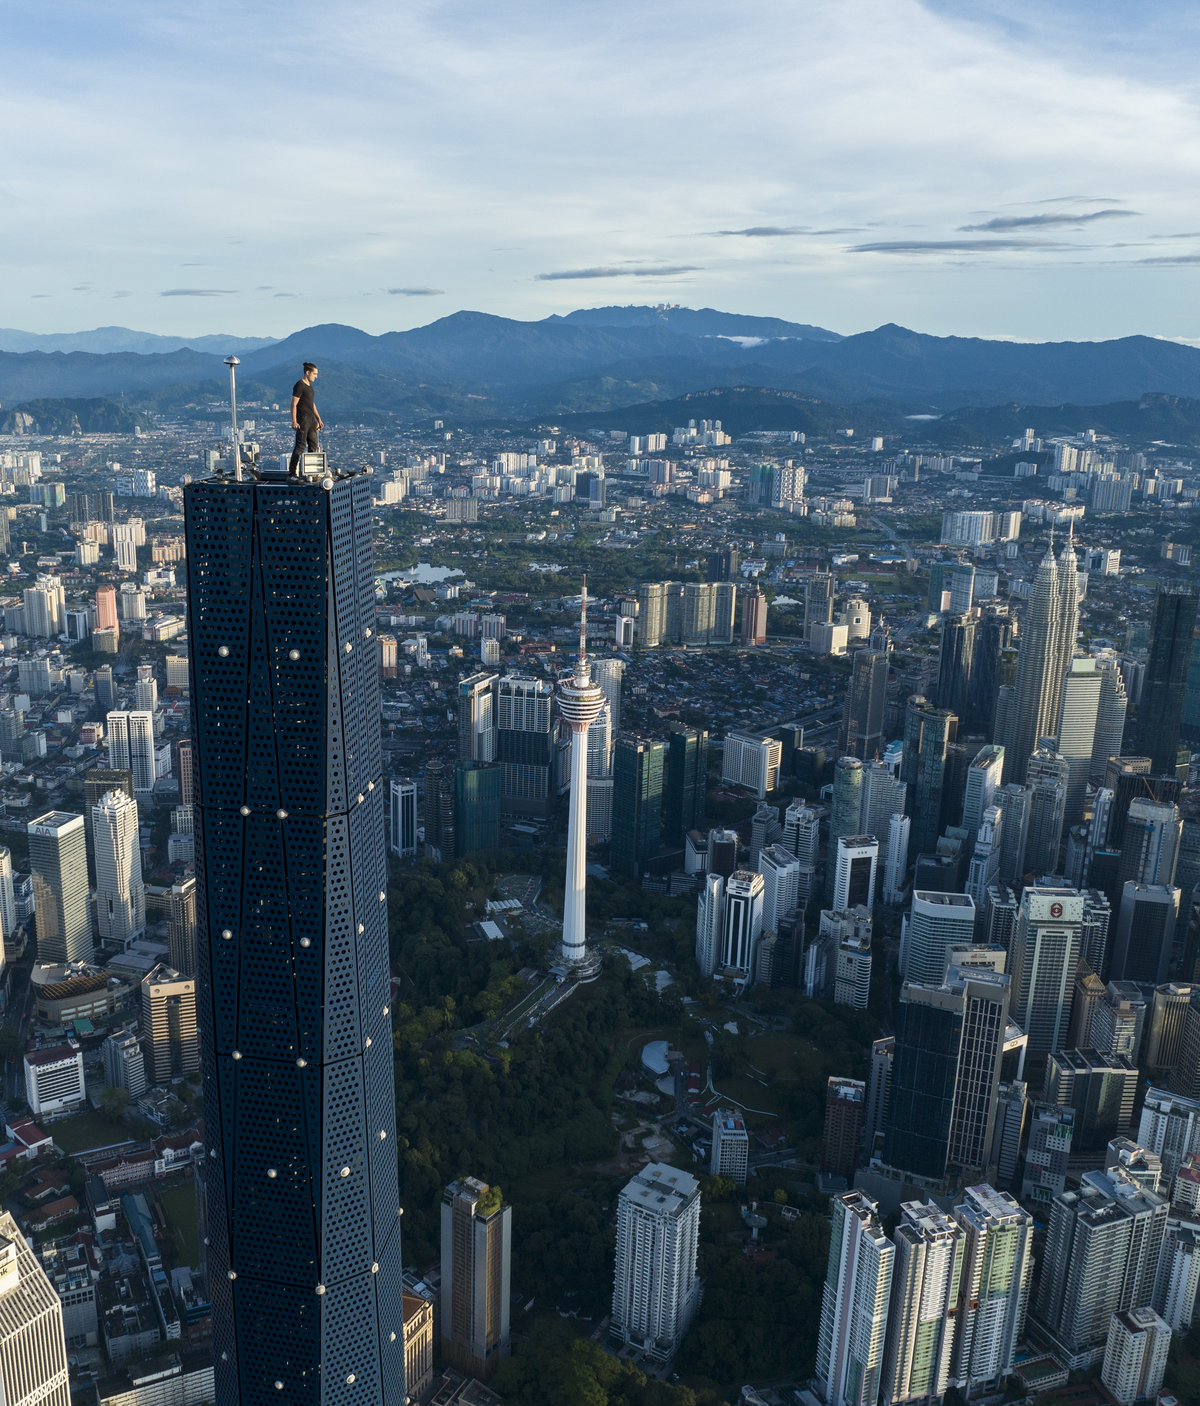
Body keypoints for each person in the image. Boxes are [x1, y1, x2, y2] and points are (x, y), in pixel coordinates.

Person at [288, 362, 323, 474]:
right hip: (303, 419)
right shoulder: (299, 386)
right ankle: (292, 472)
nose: (316, 376)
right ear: (307, 373)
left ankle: (311, 472)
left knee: (313, 446)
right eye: (314, 374)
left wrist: (318, 418)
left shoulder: (309, 386)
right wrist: (294, 421)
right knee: (300, 446)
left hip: (311, 419)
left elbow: (312, 404)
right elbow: (293, 404)